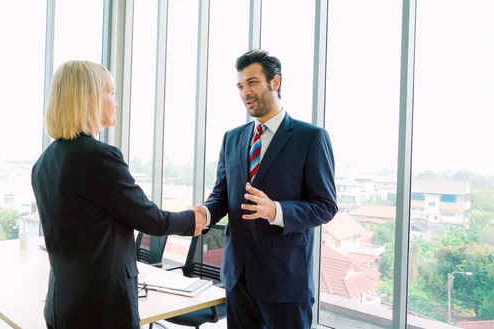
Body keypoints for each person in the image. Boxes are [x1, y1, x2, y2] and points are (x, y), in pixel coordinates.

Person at [31, 60, 206, 329]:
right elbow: (152, 220)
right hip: (102, 311)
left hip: (61, 305)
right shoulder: (99, 157)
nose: (116, 102)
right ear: (88, 98)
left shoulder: (43, 163)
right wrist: (194, 220)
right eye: (110, 93)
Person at [193, 50, 338, 329]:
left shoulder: (311, 138)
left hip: (284, 282)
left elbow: (325, 206)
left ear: (275, 82)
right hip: (238, 278)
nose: (245, 92)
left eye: (252, 82)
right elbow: (221, 196)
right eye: (240, 86)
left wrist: (277, 210)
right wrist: (206, 213)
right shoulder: (232, 138)